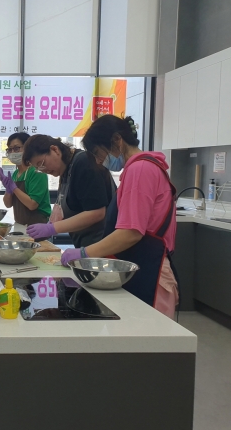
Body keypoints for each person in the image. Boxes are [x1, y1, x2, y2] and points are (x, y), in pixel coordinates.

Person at [63, 115, 179, 318]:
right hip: (142, 266)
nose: (98, 161)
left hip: (150, 273)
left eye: (98, 153)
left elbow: (130, 233)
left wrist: (84, 253)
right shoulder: (146, 166)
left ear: (117, 139)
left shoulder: (140, 169)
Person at [22, 134, 115, 247]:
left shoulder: (83, 163)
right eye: (38, 169)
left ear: (54, 149)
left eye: (41, 164)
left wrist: (53, 228)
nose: (43, 170)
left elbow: (97, 213)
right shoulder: (65, 170)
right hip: (86, 244)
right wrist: (51, 223)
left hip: (103, 244)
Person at [0, 132, 51, 225]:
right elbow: (8, 204)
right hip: (20, 224)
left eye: (16, 148)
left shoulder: (37, 172)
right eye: (10, 149)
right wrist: (8, 190)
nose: (12, 152)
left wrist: (14, 188)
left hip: (39, 225)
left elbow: (32, 205)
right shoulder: (15, 174)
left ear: (27, 148)